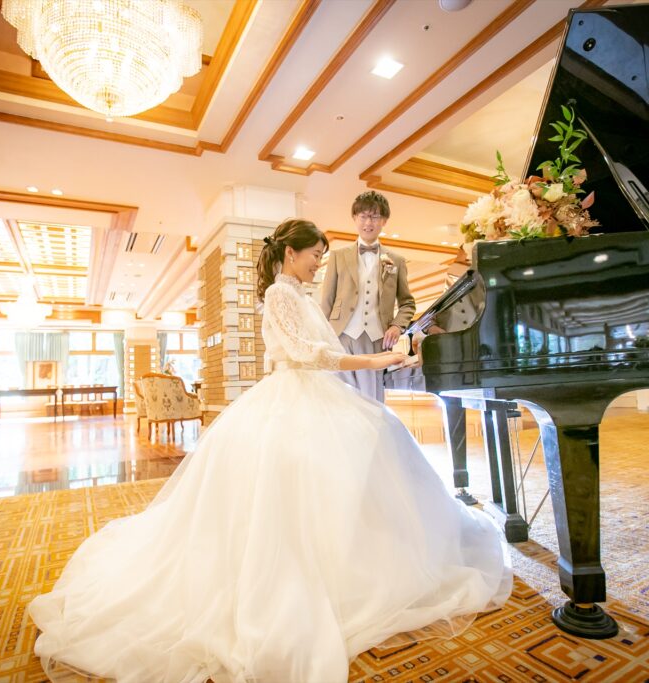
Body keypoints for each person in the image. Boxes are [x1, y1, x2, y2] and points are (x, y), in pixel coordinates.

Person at [28, 219, 512, 683]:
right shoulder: (280, 294)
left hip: (316, 394)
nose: (318, 263)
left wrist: (381, 355)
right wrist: (374, 359)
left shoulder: (299, 295)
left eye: (322, 256)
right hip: (293, 393)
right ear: (290, 253)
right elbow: (305, 354)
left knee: (375, 443)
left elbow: (319, 349)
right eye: (315, 255)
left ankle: (358, 561)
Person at [320, 191, 416, 402]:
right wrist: (323, 337)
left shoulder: (396, 260)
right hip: (340, 335)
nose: (368, 222)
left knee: (371, 399)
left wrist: (397, 326)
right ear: (354, 218)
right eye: (363, 216)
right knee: (340, 396)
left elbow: (407, 302)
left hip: (375, 338)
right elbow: (326, 300)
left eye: (374, 217)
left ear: (384, 221)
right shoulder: (338, 256)